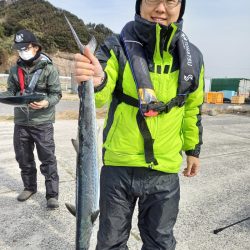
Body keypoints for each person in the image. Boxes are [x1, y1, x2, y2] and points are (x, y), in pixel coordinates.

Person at [74, 0, 204, 249]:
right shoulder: (116, 46)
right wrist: (94, 79)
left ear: (181, 7)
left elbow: (192, 109)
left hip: (164, 169)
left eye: (171, 1)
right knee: (110, 242)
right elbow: (99, 96)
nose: (161, 8)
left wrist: (193, 150)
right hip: (118, 166)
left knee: (160, 242)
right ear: (140, 4)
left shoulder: (193, 57)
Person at [2, 29, 62, 209]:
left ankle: (52, 195)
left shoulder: (49, 68)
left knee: (48, 159)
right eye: (19, 48)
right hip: (21, 123)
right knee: (23, 158)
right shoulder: (15, 70)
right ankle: (29, 187)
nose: (22, 51)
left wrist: (45, 103)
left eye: (25, 47)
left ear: (35, 47)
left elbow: (56, 94)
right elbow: (11, 92)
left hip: (42, 122)